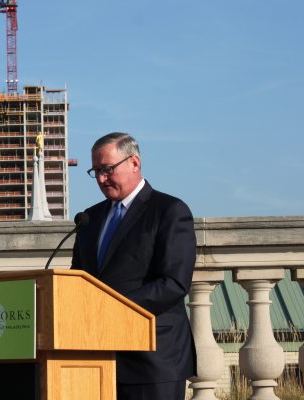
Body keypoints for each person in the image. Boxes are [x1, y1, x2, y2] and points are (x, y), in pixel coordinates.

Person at [72, 132, 196, 400]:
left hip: (152, 360)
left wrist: (113, 307)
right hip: (97, 358)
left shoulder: (170, 210)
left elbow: (174, 283)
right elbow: (77, 280)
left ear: (134, 163)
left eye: (107, 169)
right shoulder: (89, 218)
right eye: (96, 172)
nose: (102, 179)